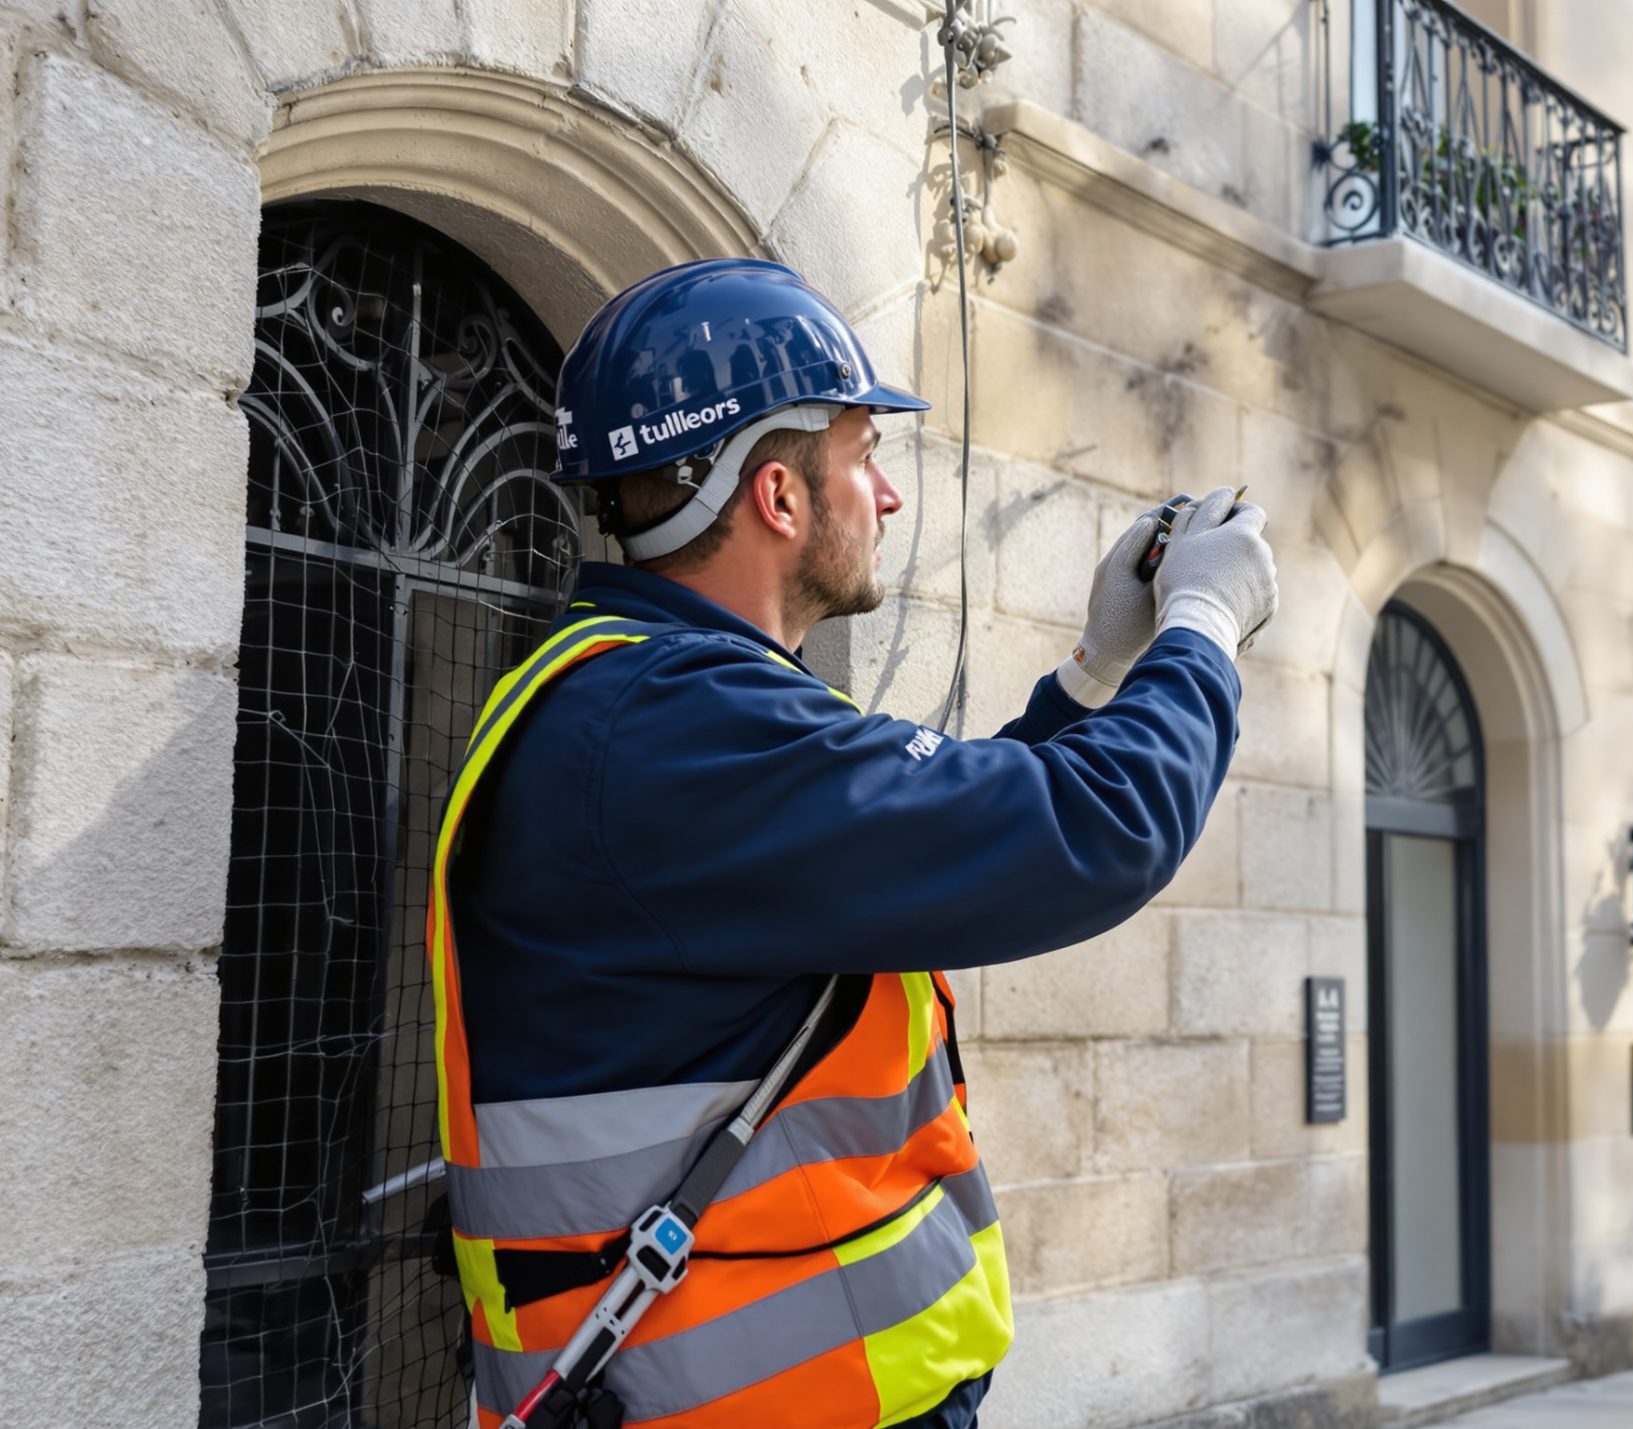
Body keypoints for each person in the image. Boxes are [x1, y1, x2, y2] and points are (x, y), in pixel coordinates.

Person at [426, 257, 1277, 1428]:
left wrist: (1097, 669)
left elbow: (940, 836)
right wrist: (1206, 622)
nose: (886, 497)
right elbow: (1099, 825)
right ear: (778, 496)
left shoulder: (660, 706)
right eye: (865, 455)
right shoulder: (674, 726)